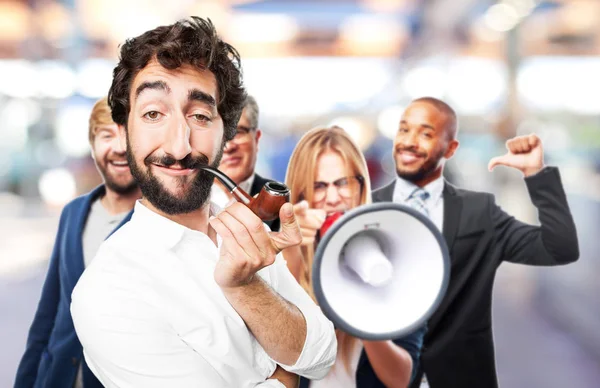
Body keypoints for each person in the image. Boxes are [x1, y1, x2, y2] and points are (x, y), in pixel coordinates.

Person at [70, 17, 336, 388]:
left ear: (223, 134)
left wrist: (246, 286)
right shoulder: (106, 292)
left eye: (199, 115)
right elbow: (299, 367)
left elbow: (320, 356)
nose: (180, 147)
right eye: (152, 113)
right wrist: (285, 377)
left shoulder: (244, 229)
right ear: (123, 130)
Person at [372, 97, 580, 388]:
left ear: (450, 148)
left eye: (426, 134)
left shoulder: (479, 213)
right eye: (404, 130)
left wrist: (536, 175)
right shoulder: (365, 211)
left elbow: (559, 248)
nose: (409, 141)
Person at [283, 125, 426, 388]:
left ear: (361, 185)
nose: (333, 198)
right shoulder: (275, 254)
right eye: (319, 186)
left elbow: (401, 379)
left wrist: (363, 312)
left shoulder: (400, 254)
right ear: (300, 193)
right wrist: (292, 252)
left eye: (342, 183)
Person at [15, 98, 141, 388]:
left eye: (127, 136)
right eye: (106, 136)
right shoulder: (74, 213)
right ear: (93, 144)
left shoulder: (158, 221)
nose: (119, 148)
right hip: (56, 377)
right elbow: (49, 310)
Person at [212, 95, 280, 231]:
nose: (228, 146)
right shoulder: (180, 204)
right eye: (218, 135)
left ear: (257, 138)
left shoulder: (284, 203)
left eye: (238, 132)